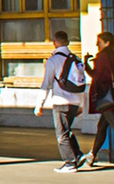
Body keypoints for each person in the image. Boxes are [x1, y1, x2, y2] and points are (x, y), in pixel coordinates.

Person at [79, 30, 114, 170]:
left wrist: (86, 65)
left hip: (106, 97)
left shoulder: (102, 56)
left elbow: (97, 76)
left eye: (99, 42)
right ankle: (92, 155)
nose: (97, 44)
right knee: (102, 127)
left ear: (107, 42)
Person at [32, 29, 86, 172]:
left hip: (60, 102)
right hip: (75, 101)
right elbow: (81, 82)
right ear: (67, 42)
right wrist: (82, 104)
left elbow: (46, 84)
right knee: (67, 130)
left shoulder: (53, 60)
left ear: (54, 43)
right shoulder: (76, 60)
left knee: (61, 135)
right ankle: (78, 154)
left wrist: (39, 105)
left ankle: (70, 163)